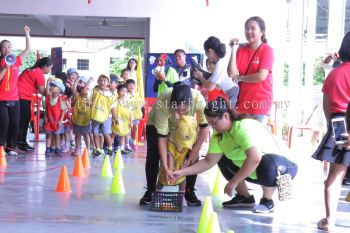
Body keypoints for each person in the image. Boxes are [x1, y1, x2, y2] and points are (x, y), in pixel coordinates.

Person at [171, 97, 298, 213]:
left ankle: (267, 200)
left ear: (225, 116)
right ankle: (245, 197)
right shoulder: (218, 136)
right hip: (255, 170)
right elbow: (209, 161)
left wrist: (233, 182)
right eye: (210, 124)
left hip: (281, 167)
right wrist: (183, 172)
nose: (212, 127)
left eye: (214, 123)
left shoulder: (242, 127)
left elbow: (255, 158)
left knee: (267, 162)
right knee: (222, 158)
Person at [139, 82, 209, 206]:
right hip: (156, 126)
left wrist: (195, 151)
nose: (180, 112)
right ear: (171, 102)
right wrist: (166, 167)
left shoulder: (198, 99)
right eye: (176, 109)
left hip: (184, 128)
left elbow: (204, 127)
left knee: (192, 156)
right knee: (153, 155)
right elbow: (162, 138)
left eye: (184, 110)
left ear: (190, 104)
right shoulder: (163, 101)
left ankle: (189, 191)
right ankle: (150, 190)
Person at [312, 31, 350, 231]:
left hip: (338, 123)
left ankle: (329, 220)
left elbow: (327, 105)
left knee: (335, 177)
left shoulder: (335, 73)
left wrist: (332, 126)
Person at [227, 16, 274, 124]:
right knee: (239, 139)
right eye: (246, 29)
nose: (249, 31)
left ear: (262, 31)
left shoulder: (267, 50)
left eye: (253, 28)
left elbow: (261, 76)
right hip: (242, 104)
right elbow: (231, 73)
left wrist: (240, 78)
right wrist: (234, 50)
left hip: (260, 105)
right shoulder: (241, 50)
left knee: (255, 140)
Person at [0, 25, 31, 156]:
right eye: (4, 47)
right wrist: (5, 67)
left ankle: (10, 148)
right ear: (0, 50)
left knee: (14, 124)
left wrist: (27, 34)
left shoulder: (16, 61)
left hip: (15, 99)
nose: (7, 49)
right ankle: (1, 148)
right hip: (1, 99)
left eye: (9, 46)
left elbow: (28, 50)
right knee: (4, 124)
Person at [192, 36, 239, 108]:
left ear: (210, 51)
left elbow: (210, 87)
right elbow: (214, 79)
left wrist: (200, 76)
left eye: (206, 52)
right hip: (230, 91)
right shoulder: (221, 61)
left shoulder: (219, 64)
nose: (206, 56)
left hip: (231, 93)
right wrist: (202, 72)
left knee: (229, 116)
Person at [17, 57, 52, 152]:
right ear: (45, 66)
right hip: (22, 96)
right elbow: (42, 91)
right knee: (24, 121)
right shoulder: (39, 73)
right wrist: (52, 92)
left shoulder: (31, 70)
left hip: (19, 96)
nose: (50, 70)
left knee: (22, 120)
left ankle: (20, 142)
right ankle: (20, 143)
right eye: (50, 68)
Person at [90, 74, 115, 158]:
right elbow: (90, 100)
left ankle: (110, 149)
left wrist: (115, 117)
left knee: (106, 133)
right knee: (95, 133)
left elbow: (113, 107)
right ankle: (98, 150)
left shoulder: (110, 95)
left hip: (106, 117)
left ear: (108, 83)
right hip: (95, 116)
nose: (102, 82)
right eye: (100, 80)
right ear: (97, 82)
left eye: (104, 81)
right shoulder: (94, 91)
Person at [44, 78, 67, 156]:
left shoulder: (61, 99)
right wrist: (45, 117)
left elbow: (63, 110)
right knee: (49, 135)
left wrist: (61, 120)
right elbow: (46, 108)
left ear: (59, 90)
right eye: (52, 86)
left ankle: (58, 148)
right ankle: (47, 148)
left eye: (54, 86)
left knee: (57, 135)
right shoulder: (48, 98)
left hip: (57, 121)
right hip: (50, 120)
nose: (52, 87)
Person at [71, 76, 93, 156]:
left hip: (86, 120)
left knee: (86, 135)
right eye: (82, 89)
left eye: (86, 89)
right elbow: (73, 89)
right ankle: (77, 149)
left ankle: (88, 149)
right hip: (77, 119)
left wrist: (88, 82)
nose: (84, 91)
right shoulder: (77, 96)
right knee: (78, 135)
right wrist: (76, 80)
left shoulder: (90, 98)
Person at [111, 84, 133, 155]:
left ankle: (122, 148)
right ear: (118, 92)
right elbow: (113, 111)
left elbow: (130, 113)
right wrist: (116, 119)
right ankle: (110, 147)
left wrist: (131, 122)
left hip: (125, 122)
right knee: (114, 134)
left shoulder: (128, 102)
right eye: (122, 91)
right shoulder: (115, 102)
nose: (124, 93)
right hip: (117, 121)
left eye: (125, 91)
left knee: (123, 135)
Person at [126, 79, 143, 151]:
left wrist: (139, 105)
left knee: (135, 127)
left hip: (135, 114)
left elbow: (140, 103)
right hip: (127, 115)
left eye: (133, 85)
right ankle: (127, 142)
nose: (131, 86)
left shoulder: (136, 94)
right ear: (126, 86)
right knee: (128, 129)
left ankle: (134, 142)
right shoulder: (125, 94)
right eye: (129, 85)